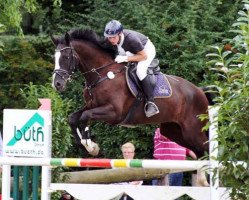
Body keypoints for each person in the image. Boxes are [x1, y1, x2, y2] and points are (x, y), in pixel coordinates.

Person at [104, 19, 159, 118]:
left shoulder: (131, 39)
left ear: (120, 33)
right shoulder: (110, 39)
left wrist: (125, 58)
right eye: (109, 37)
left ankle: (151, 103)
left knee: (140, 71)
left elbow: (143, 56)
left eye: (113, 37)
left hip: (146, 51)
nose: (111, 40)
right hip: (130, 51)